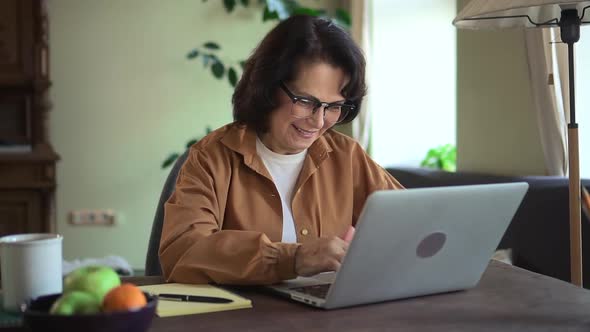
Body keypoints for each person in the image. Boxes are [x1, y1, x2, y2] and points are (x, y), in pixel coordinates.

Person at [159, 15, 404, 285]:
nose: (319, 121)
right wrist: (293, 259)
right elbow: (183, 254)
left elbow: (412, 224)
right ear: (267, 87)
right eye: (305, 101)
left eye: (334, 106)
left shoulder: (348, 157)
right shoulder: (211, 158)